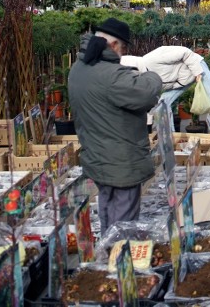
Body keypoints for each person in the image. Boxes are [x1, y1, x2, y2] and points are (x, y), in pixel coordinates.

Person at [69, 18, 162, 235]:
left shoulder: (78, 68)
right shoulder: (111, 76)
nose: (122, 54)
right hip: (121, 161)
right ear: (113, 45)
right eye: (123, 48)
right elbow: (146, 94)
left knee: (107, 208)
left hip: (97, 156)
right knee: (124, 223)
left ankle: (107, 257)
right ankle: (120, 260)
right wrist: (151, 75)